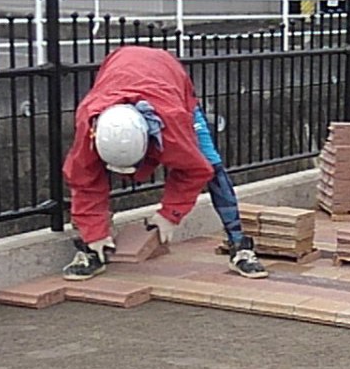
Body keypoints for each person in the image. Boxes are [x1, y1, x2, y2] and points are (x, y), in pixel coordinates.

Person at [60, 44, 267, 281]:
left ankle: (240, 246)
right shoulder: (91, 124)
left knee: (212, 164)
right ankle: (92, 248)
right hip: (120, 68)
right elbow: (83, 181)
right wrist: (93, 231)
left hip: (168, 80)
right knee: (87, 173)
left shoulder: (173, 123)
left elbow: (195, 170)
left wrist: (170, 214)